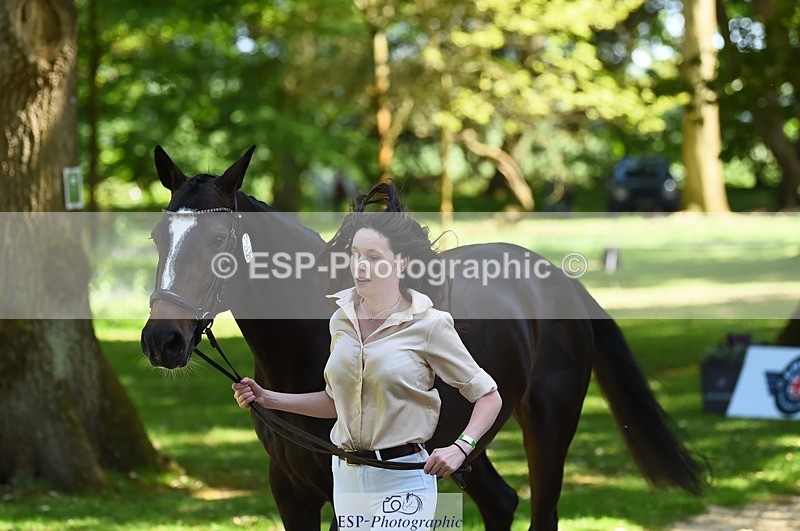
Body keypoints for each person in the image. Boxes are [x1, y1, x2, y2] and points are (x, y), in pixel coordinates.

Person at [233, 182, 502, 529]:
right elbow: (338, 402)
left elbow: (489, 396)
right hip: (346, 479)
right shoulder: (341, 320)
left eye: (373, 258)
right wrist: (268, 398)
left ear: (401, 263)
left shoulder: (429, 325)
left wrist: (461, 447)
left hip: (402, 481)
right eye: (356, 255)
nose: (360, 266)